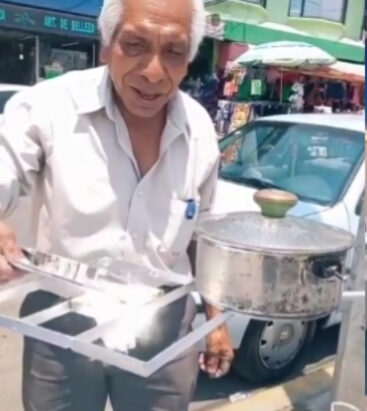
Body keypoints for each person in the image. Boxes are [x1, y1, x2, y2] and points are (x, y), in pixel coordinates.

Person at [0, 0, 234, 409]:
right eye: (135, 44)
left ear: (190, 59)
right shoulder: (50, 107)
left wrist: (216, 320)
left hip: (165, 323)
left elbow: (206, 237)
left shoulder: (200, 130)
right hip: (62, 318)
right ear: (107, 44)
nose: (154, 72)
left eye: (174, 52)